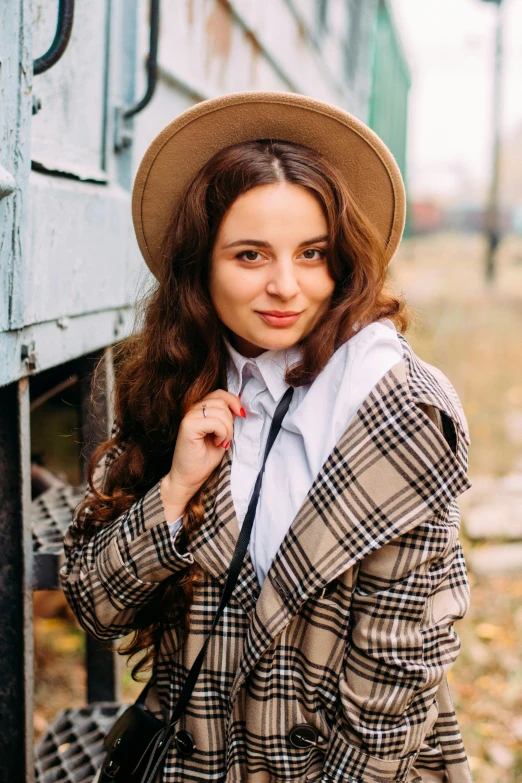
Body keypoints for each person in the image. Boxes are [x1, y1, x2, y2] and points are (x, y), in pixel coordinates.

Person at [61, 92, 473, 783]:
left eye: (312, 253)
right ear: (201, 266)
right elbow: (94, 606)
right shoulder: (176, 382)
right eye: (251, 254)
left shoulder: (395, 408)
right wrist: (176, 488)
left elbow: (395, 685)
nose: (287, 287)